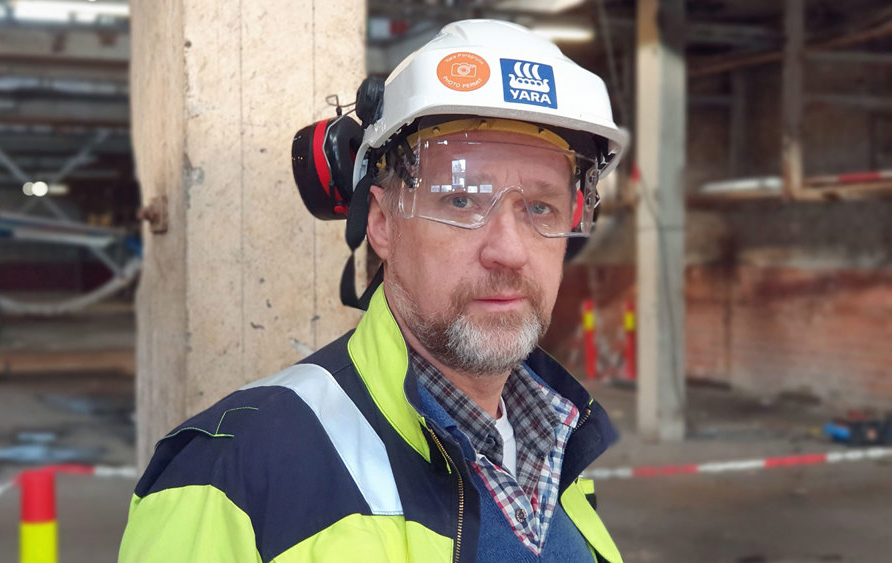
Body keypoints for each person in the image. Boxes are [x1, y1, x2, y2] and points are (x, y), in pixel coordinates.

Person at [120, 19, 628, 563]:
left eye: (540, 207)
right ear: (383, 224)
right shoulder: (232, 478)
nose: (509, 250)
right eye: (461, 200)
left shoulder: (556, 445)